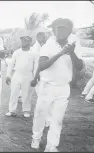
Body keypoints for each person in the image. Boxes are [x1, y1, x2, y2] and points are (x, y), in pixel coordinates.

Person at [31, 18, 84, 152]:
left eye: (64, 28)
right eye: (58, 28)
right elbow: (42, 65)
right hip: (47, 86)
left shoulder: (74, 46)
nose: (60, 31)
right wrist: (60, 53)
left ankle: (51, 146)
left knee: (57, 119)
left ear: (69, 31)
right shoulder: (48, 45)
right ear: (54, 31)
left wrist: (71, 52)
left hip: (63, 87)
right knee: (40, 115)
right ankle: (36, 139)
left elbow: (79, 67)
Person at [5, 36, 38, 118]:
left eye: (25, 41)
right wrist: (8, 75)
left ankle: (26, 110)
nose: (23, 42)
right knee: (14, 93)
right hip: (17, 74)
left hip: (28, 75)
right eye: (22, 41)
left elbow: (36, 66)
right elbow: (11, 64)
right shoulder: (17, 52)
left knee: (26, 94)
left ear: (30, 42)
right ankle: (11, 110)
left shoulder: (34, 53)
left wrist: (35, 78)